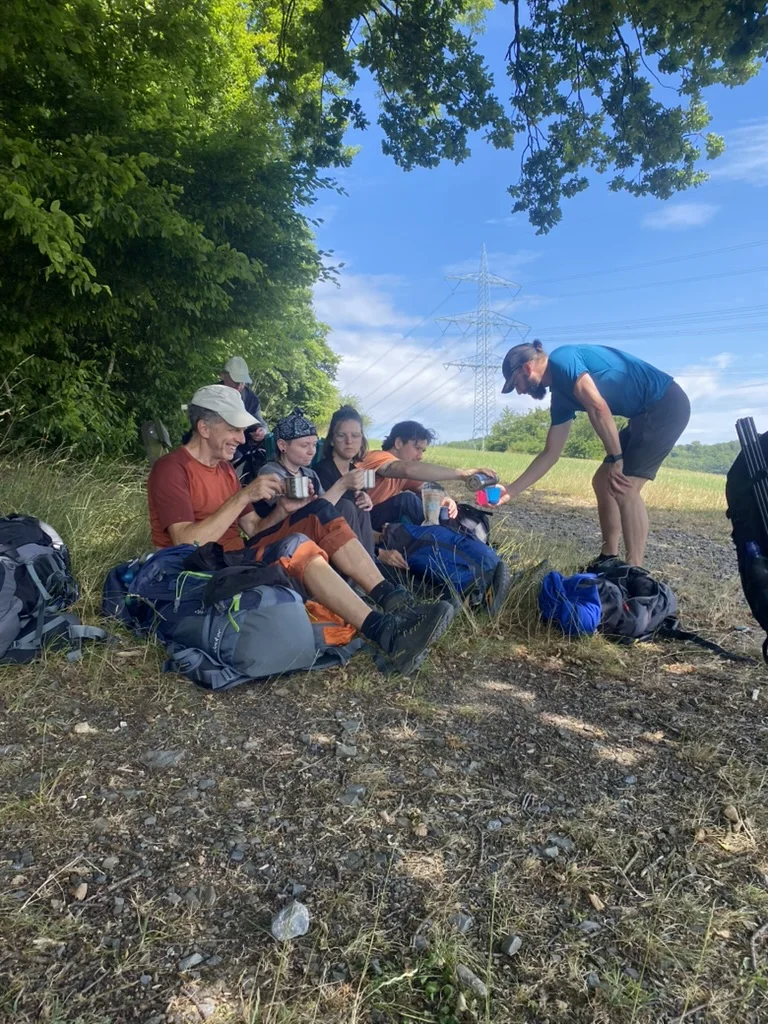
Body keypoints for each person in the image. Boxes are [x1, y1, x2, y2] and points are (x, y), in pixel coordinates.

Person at [146, 385, 454, 674]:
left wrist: (283, 509)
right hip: (197, 570)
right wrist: (244, 495)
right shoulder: (172, 468)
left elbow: (253, 528)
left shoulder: (225, 470)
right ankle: (385, 632)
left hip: (235, 557)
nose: (241, 439)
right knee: (296, 545)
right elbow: (185, 541)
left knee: (319, 512)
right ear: (204, 428)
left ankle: (397, 603)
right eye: (233, 429)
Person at [498, 340, 691, 567]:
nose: (520, 391)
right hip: (643, 415)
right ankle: (608, 559)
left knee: (624, 487)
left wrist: (616, 458)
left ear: (527, 368)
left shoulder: (562, 359)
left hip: (665, 405)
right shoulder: (560, 397)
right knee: (602, 481)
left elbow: (597, 406)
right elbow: (551, 453)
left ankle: (634, 571)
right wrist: (511, 490)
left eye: (516, 383)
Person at [256, 408, 375, 557]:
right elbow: (317, 510)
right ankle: (356, 566)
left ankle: (369, 564)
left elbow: (323, 506)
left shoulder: (309, 474)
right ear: (282, 445)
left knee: (358, 508)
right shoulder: (270, 472)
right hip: (282, 537)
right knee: (345, 506)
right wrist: (342, 484)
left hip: (306, 530)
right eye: (304, 445)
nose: (311, 451)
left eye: (314, 445)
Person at [357, 420, 496, 531]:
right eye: (417, 448)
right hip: (359, 520)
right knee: (406, 501)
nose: (420, 456)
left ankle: (453, 537)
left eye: (423, 451)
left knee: (430, 503)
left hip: (373, 520)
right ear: (398, 443)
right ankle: (440, 538)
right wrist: (462, 474)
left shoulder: (401, 475)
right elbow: (408, 470)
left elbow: (428, 488)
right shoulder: (377, 457)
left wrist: (445, 498)